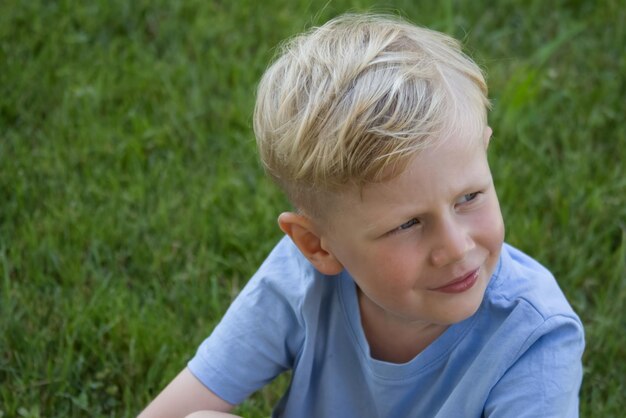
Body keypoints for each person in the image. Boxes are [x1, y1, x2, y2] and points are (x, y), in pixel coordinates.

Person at [138, 13, 584, 418]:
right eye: (407, 224)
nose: (455, 247)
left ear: (484, 152)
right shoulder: (302, 279)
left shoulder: (534, 337)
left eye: (469, 196)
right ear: (317, 246)